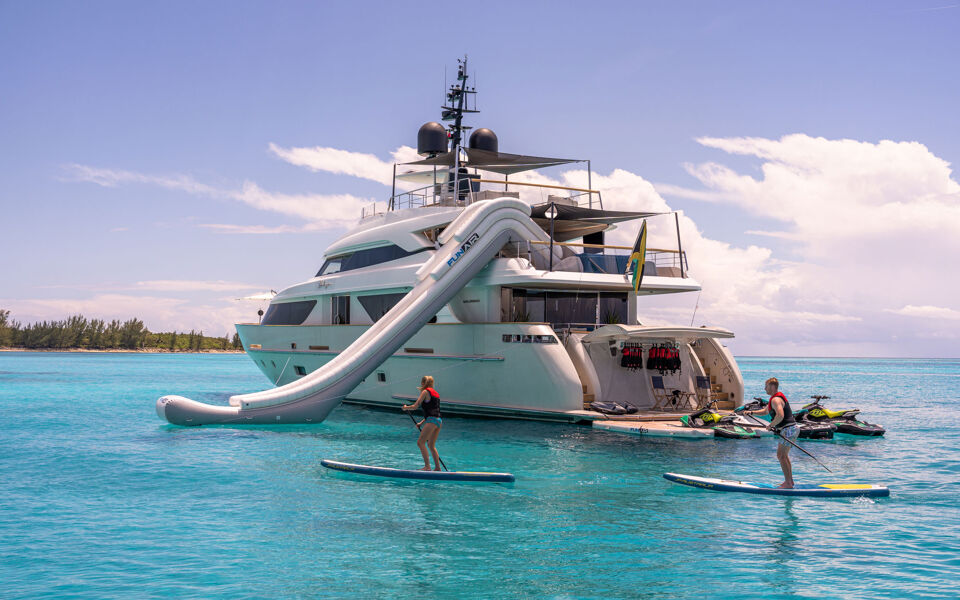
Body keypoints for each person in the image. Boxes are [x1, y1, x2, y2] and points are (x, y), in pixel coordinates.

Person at [746, 377, 799, 489]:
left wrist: (771, 425)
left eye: (766, 386)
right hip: (791, 429)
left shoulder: (776, 400)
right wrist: (751, 412)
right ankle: (790, 481)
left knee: (781, 455)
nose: (765, 389)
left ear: (772, 386)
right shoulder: (773, 399)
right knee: (783, 455)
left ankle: (788, 483)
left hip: (789, 429)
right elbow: (765, 411)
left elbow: (780, 415)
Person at [402, 376, 443, 471]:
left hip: (432, 421)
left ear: (423, 383)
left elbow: (415, 406)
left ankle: (427, 467)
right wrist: (421, 423)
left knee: (420, 442)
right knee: (431, 445)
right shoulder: (436, 394)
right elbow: (434, 411)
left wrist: (405, 407)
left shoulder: (425, 392)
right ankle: (437, 468)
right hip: (439, 421)